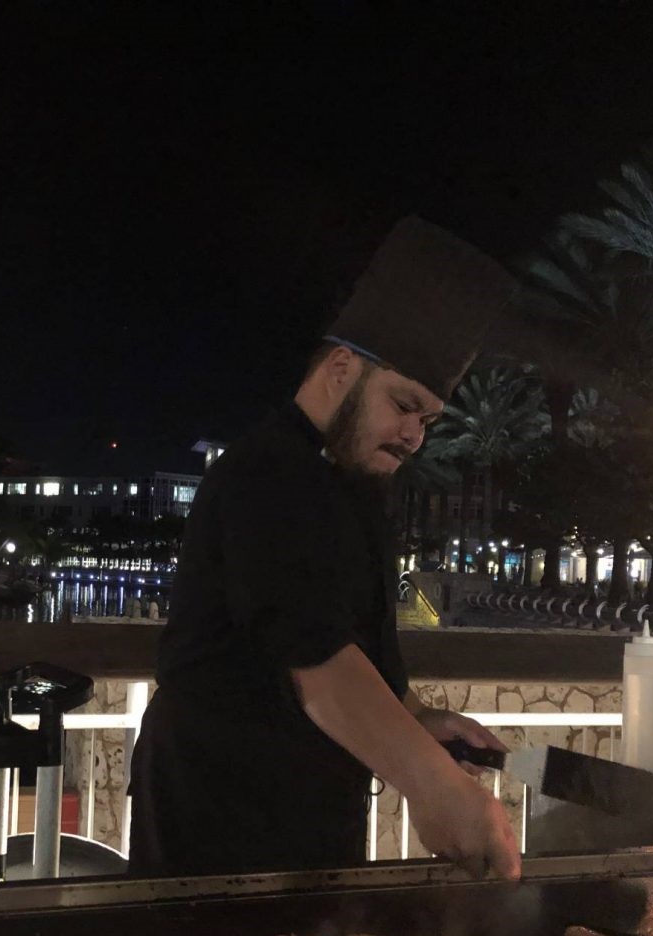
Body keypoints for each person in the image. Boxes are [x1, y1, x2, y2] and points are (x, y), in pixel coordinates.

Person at [127, 217, 522, 878]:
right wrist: (435, 789)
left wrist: (416, 717)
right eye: (403, 404)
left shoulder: (355, 484)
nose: (414, 436)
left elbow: (351, 644)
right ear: (341, 369)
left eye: (426, 419)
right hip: (217, 814)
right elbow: (314, 658)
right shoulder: (267, 472)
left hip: (310, 809)